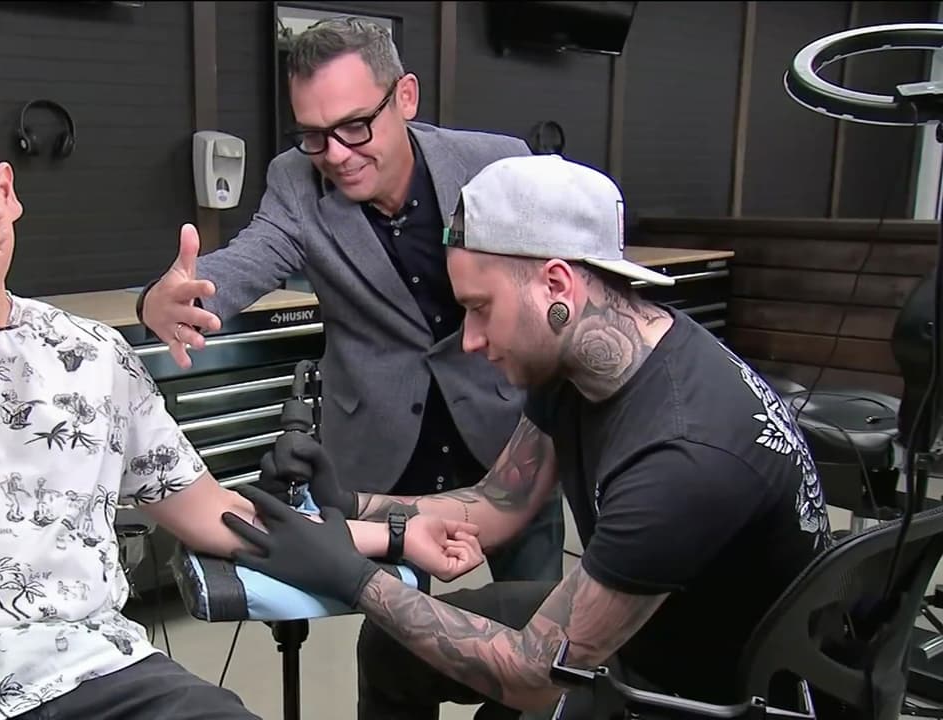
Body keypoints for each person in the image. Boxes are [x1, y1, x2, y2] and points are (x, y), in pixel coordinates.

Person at [0, 78, 485, 720]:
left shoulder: (89, 353)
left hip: (96, 677)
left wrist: (391, 536)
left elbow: (216, 515)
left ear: (4, 192)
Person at [222, 154, 834, 718]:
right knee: (391, 646)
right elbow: (499, 503)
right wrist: (349, 503)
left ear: (557, 286)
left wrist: (352, 578)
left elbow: (536, 675)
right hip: (652, 621)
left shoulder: (681, 456)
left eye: (480, 307)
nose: (468, 340)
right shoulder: (589, 356)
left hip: (704, 692)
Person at [138, 16, 564, 584]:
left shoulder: (496, 164)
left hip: (503, 434)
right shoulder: (295, 181)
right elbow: (252, 255)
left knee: (536, 611)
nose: (336, 155)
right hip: (382, 450)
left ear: (405, 97)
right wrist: (163, 300)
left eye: (355, 127)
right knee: (393, 626)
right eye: (314, 135)